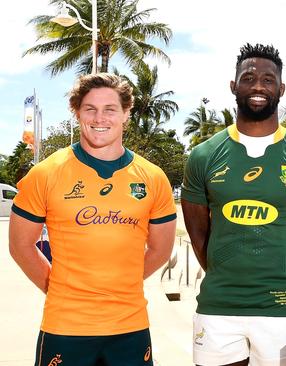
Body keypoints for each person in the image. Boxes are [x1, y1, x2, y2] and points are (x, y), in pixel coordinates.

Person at [9, 73, 177, 366]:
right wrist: (60, 288)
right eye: (90, 109)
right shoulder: (45, 174)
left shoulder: (153, 177)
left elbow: (161, 250)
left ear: (126, 113)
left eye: (110, 109)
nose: (100, 118)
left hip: (130, 327)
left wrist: (119, 285)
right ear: (77, 112)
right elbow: (20, 246)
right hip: (65, 326)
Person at [181, 43, 286, 366]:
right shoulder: (203, 156)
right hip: (217, 309)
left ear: (282, 88)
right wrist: (226, 273)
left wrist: (277, 273)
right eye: (248, 78)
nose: (258, 86)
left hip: (280, 310)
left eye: (268, 79)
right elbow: (198, 235)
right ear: (234, 86)